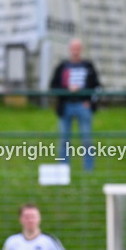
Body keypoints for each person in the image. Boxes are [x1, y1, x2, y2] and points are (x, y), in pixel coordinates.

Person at [49, 39, 101, 171]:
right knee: (64, 139)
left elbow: (97, 86)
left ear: (81, 50)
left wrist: (89, 100)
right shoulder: (62, 67)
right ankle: (63, 168)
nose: (75, 52)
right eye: (73, 49)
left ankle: (89, 169)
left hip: (83, 106)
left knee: (86, 138)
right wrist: (67, 90)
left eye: (78, 49)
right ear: (69, 50)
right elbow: (53, 86)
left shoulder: (88, 66)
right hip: (66, 105)